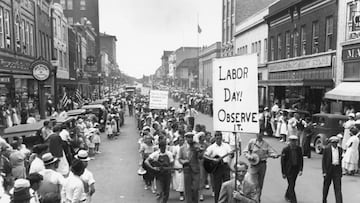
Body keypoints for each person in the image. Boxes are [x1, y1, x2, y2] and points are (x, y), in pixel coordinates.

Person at [243, 132, 280, 201]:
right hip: (254, 165)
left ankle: (258, 199)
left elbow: (271, 152)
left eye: (261, 133)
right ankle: (252, 199)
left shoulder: (266, 143)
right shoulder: (252, 142)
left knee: (260, 184)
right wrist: (249, 156)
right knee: (253, 183)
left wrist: (274, 155)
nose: (260, 135)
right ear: (256, 134)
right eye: (258, 133)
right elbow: (245, 151)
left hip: (262, 165)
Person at [203, 131, 233, 203]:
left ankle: (227, 201)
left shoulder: (226, 146)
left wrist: (232, 155)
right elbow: (204, 155)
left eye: (220, 135)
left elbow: (231, 154)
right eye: (217, 136)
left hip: (225, 167)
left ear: (222, 137)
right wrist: (213, 159)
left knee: (227, 185)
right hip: (217, 168)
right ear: (215, 137)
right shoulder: (211, 147)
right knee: (217, 186)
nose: (218, 137)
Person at [179, 132, 203, 203]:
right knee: (188, 189)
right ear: (186, 138)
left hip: (195, 170)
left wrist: (199, 151)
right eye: (188, 137)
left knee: (195, 189)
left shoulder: (196, 146)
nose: (190, 139)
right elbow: (179, 158)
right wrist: (183, 162)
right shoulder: (182, 148)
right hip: (187, 170)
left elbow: (200, 157)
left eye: (191, 137)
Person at [281, 135, 303, 203]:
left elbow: (301, 160)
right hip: (288, 170)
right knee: (291, 184)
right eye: (292, 141)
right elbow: (282, 162)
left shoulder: (299, 149)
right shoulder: (286, 149)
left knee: (292, 183)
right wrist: (283, 173)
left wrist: (301, 169)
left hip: (295, 169)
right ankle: (293, 200)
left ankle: (287, 195)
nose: (293, 143)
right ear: (289, 141)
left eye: (294, 141)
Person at [322, 136, 343, 203]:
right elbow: (323, 161)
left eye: (336, 143)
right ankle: (324, 199)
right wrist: (324, 171)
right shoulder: (327, 149)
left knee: (338, 188)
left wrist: (341, 171)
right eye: (333, 143)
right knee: (326, 186)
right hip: (329, 169)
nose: (335, 144)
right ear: (331, 143)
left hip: (336, 169)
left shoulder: (340, 149)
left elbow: (341, 160)